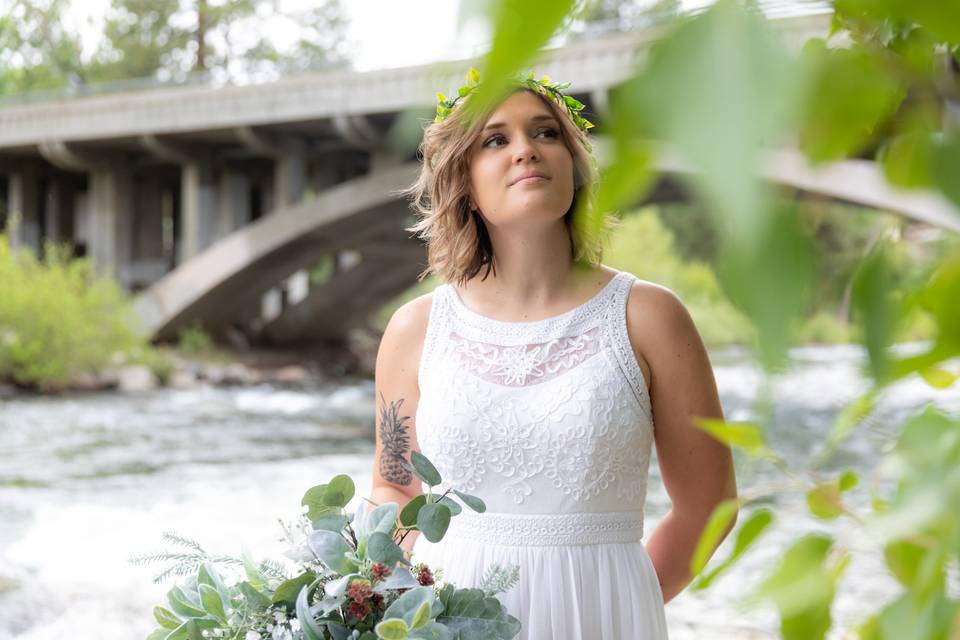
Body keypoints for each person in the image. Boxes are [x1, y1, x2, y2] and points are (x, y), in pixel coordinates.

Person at [368, 69, 738, 639]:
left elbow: (708, 506)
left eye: (545, 133)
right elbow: (396, 489)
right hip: (449, 623)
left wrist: (625, 597)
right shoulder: (415, 329)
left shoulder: (649, 317)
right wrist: (396, 603)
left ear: (574, 162)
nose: (525, 150)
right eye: (496, 139)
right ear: (462, 180)